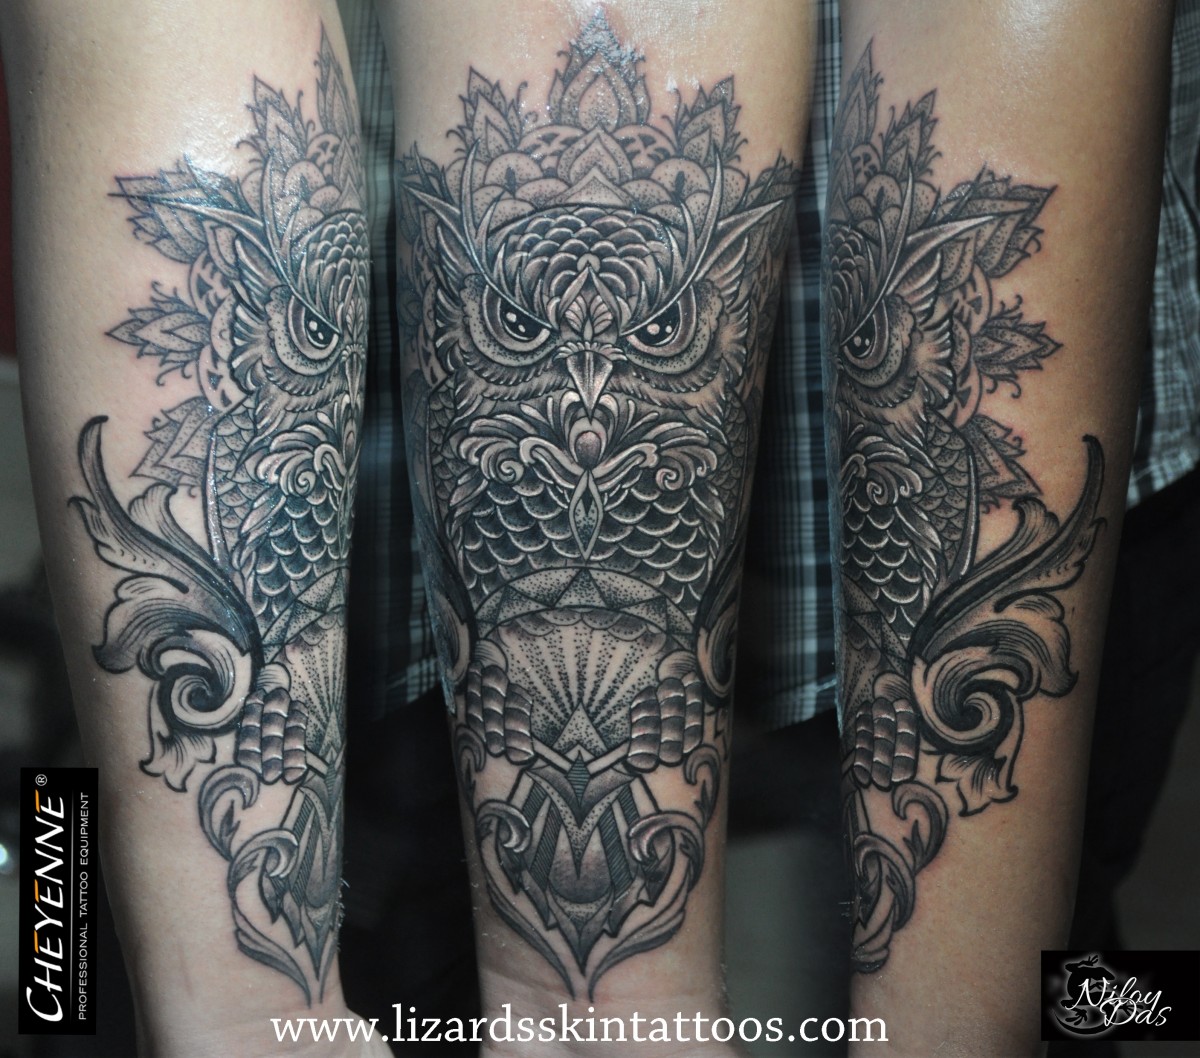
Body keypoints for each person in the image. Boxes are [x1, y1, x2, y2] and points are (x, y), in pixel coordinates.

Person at [1, 2, 1189, 1056]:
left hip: (985, 493)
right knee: (94, 964)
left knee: (1065, 984)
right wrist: (239, 1016)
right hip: (340, 541)